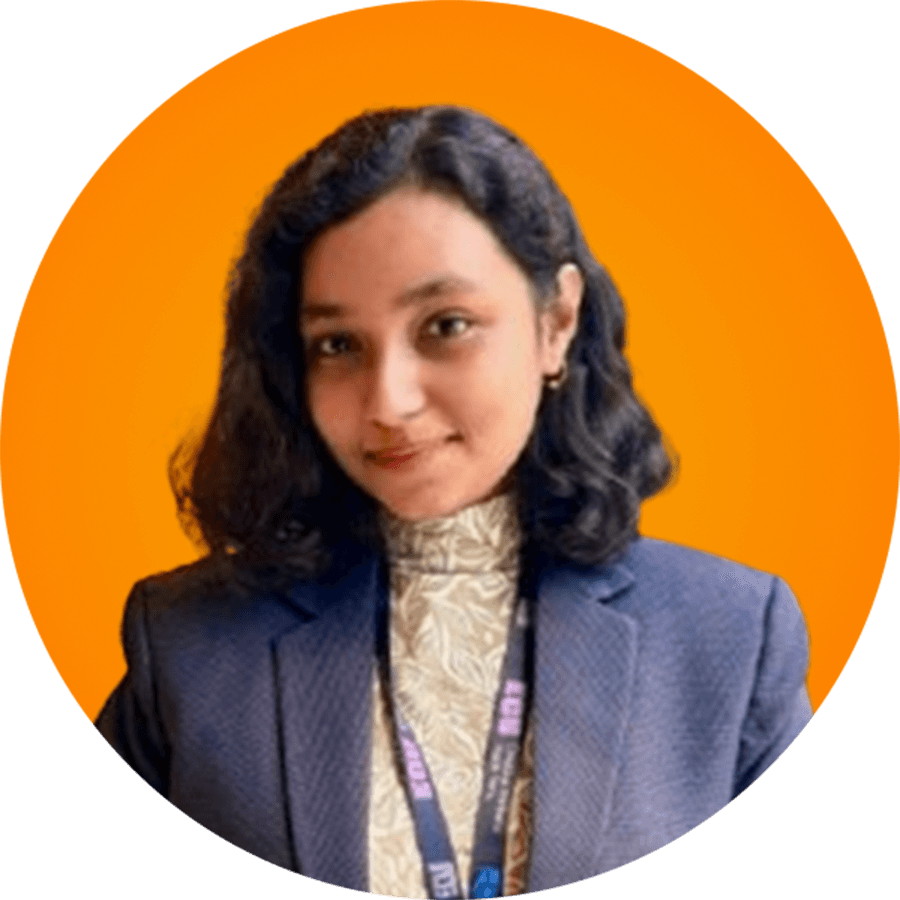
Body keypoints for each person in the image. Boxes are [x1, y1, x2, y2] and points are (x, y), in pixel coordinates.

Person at [96, 106, 811, 898]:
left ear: (556, 322)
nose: (388, 401)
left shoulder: (734, 640)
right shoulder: (186, 648)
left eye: (446, 325)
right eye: (338, 344)